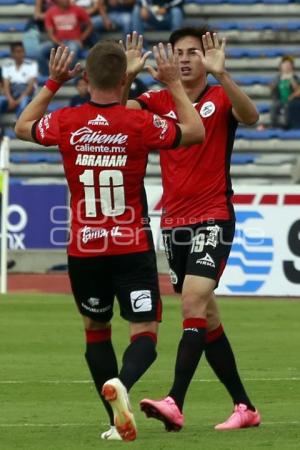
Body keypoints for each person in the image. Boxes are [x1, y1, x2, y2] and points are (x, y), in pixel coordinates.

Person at [15, 37, 205, 441]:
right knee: (146, 333)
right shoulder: (139, 124)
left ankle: (114, 417)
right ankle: (123, 385)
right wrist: (171, 83)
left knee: (95, 328)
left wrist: (51, 82)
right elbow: (194, 132)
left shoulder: (66, 120)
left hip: (84, 249)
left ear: (83, 78)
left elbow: (22, 127)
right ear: (124, 80)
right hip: (130, 244)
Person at [123, 27, 261, 431]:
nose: (184, 59)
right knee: (207, 318)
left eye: (192, 53)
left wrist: (225, 75)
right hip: (174, 222)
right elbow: (118, 114)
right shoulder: (156, 100)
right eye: (178, 52)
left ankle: (174, 401)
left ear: (207, 57)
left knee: (193, 302)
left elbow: (251, 117)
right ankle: (245, 407)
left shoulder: (219, 97)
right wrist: (129, 76)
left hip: (214, 214)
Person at [38, 0, 93, 75]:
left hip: (74, 41)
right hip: (57, 42)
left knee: (72, 50)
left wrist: (81, 39)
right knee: (39, 51)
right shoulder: (50, 12)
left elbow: (90, 25)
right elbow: (50, 34)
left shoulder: (78, 9)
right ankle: (46, 75)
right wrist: (59, 43)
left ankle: (68, 74)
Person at [0, 42, 38, 118]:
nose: (20, 54)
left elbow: (30, 87)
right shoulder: (7, 66)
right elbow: (6, 86)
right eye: (17, 52)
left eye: (22, 51)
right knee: (1, 100)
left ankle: (18, 124)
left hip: (25, 94)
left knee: (24, 102)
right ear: (12, 54)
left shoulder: (32, 65)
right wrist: (10, 99)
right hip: (12, 94)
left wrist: (19, 100)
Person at [270, 55, 300, 129]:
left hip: (293, 101)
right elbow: (272, 88)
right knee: (274, 106)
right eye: (285, 64)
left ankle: (290, 126)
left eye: (289, 65)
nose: (287, 66)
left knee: (290, 107)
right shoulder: (277, 78)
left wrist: (291, 79)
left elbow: (298, 90)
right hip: (280, 100)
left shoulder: (295, 77)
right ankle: (275, 125)